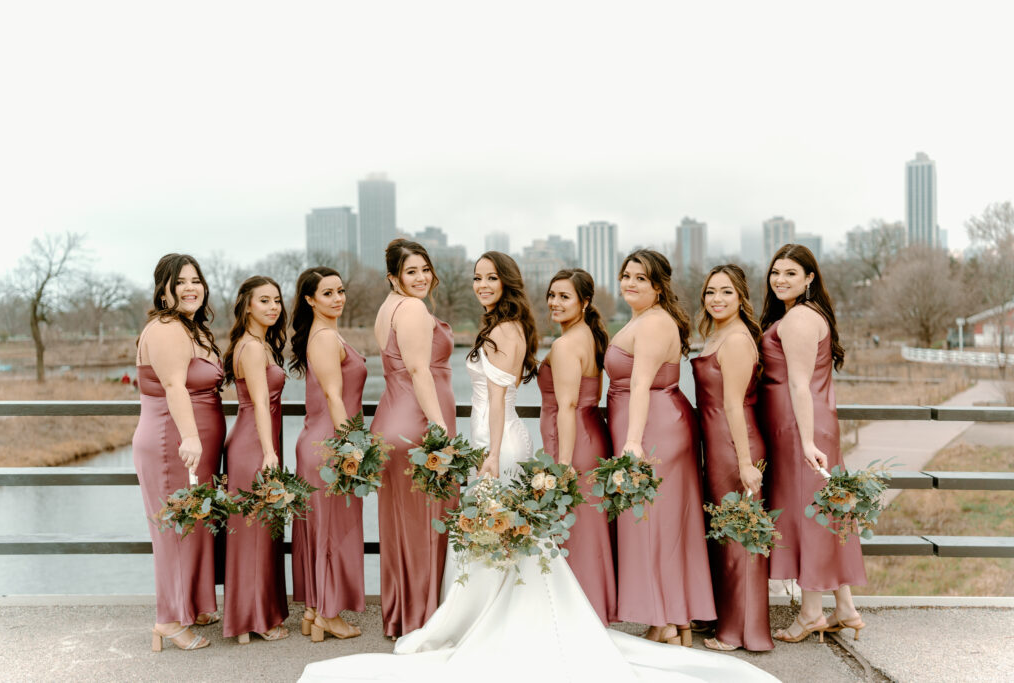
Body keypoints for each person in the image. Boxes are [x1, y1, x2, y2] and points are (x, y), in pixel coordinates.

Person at [297, 256, 777, 683]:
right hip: (493, 436)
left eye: (490, 278)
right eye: (476, 278)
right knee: (497, 530)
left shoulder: (512, 332)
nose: (481, 285)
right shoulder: (511, 328)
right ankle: (491, 608)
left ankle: (501, 614)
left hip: (499, 441)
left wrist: (491, 450)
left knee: (497, 527)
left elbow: (514, 399)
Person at [605, 249, 715, 646]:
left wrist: (632, 441)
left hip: (653, 429)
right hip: (650, 422)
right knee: (660, 522)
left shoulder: (653, 324)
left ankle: (664, 619)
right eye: (626, 275)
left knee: (652, 522)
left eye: (641, 278)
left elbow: (640, 384)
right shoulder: (644, 318)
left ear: (657, 285)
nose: (630, 283)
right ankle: (671, 615)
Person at [759, 244, 867, 643]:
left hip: (800, 430)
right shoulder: (801, 314)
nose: (780, 279)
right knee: (825, 513)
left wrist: (805, 441)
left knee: (809, 518)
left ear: (809, 278)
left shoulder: (800, 319)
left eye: (791, 273)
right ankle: (845, 607)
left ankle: (810, 614)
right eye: (775, 272)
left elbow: (800, 385)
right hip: (811, 426)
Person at [134, 253, 224, 652]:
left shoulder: (193, 328)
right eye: (181, 281)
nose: (191, 287)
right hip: (173, 442)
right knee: (173, 530)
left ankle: (196, 605)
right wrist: (190, 437)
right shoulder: (166, 328)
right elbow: (174, 386)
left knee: (196, 525)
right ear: (164, 289)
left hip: (195, 443)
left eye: (196, 280)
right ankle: (168, 620)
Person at [371, 239, 457, 638]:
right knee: (427, 522)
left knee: (400, 525)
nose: (421, 278)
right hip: (417, 423)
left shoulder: (387, 308)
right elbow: (421, 372)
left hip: (391, 417)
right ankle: (424, 618)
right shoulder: (413, 308)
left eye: (425, 269)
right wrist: (439, 430)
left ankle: (402, 615)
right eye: (411, 272)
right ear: (394, 277)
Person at [691, 265, 773, 652]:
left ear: (741, 296)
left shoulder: (738, 340)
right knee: (724, 536)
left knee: (740, 537)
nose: (716, 299)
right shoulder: (717, 334)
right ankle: (725, 618)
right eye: (710, 292)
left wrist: (744, 464)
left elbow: (735, 406)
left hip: (735, 445)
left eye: (725, 292)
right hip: (717, 445)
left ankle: (742, 631)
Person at [289, 267, 366, 642]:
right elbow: (335, 397)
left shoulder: (327, 333)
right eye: (327, 293)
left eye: (340, 291)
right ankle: (329, 615)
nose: (337, 299)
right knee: (333, 530)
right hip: (330, 444)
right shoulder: (322, 338)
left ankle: (314, 610)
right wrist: (353, 445)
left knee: (323, 527)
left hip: (321, 441)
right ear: (309, 300)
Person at [537, 267, 616, 624]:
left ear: (584, 302)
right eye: (552, 295)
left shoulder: (566, 344)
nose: (554, 302)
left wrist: (563, 464)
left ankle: (574, 616)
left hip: (572, 442)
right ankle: (593, 609)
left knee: (573, 527)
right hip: (590, 434)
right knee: (588, 528)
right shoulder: (590, 336)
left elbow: (566, 406)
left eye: (564, 296)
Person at [221, 276, 289, 644]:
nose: (273, 307)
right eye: (264, 300)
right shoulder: (251, 348)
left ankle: (252, 617)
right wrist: (269, 452)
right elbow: (261, 403)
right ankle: (253, 620)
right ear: (247, 305)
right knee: (254, 532)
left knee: (258, 531)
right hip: (253, 446)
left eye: (277, 300)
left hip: (253, 442)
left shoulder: (257, 343)